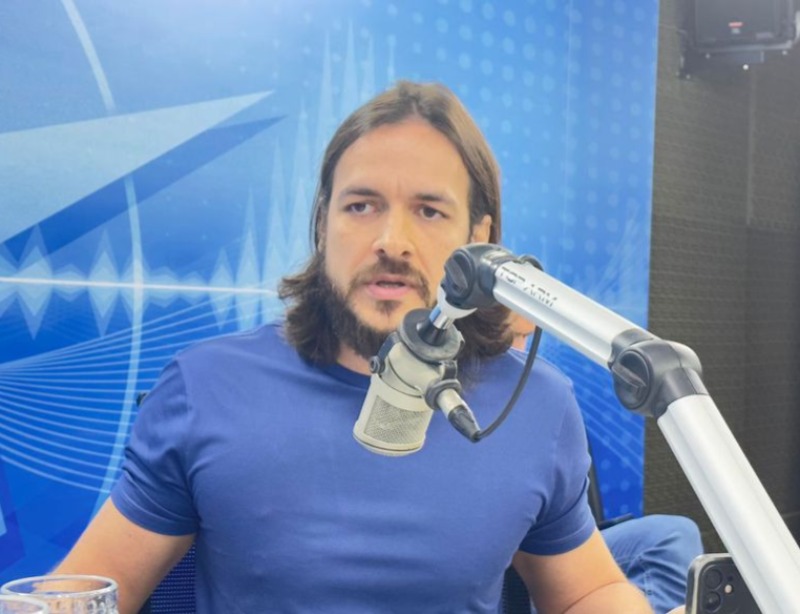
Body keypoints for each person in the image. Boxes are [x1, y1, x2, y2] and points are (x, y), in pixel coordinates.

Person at [55, 80, 653, 613]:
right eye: (361, 206)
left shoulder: (537, 405)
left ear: (479, 239)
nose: (392, 240)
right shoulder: (205, 388)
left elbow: (585, 592)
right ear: (323, 223)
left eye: (429, 211)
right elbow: (86, 593)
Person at [510, 315, 703, 614]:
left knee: (673, 535)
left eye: (524, 339)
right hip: (498, 572)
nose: (518, 352)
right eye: (516, 337)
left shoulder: (545, 399)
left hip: (537, 545)